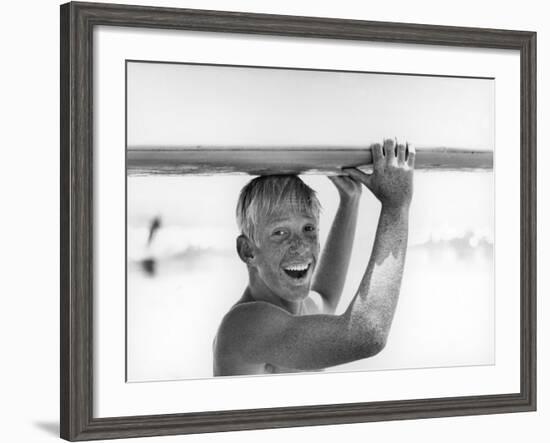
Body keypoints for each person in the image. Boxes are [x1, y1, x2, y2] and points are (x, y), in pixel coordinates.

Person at [213, 138, 415, 376]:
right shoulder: (246, 325)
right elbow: (367, 334)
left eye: (308, 229)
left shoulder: (299, 310)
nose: (300, 246)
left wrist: (350, 201)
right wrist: (396, 206)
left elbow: (326, 297)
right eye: (280, 233)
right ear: (248, 251)